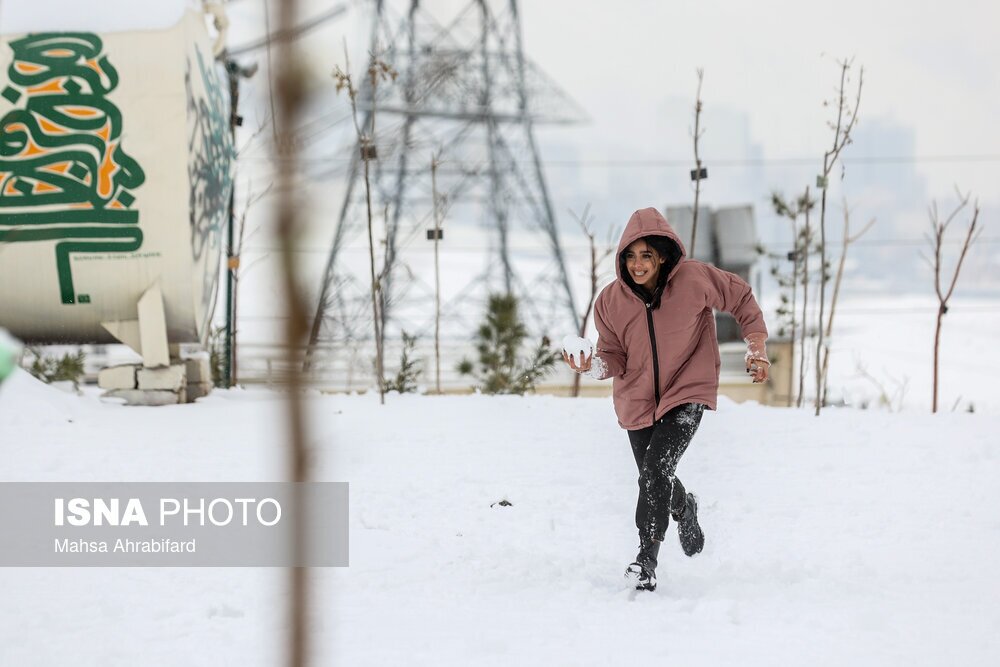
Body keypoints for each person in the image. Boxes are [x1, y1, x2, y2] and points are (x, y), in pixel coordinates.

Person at [562, 207, 769, 592]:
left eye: (646, 255)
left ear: (661, 256)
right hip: (637, 401)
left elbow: (740, 297)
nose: (638, 264)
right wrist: (591, 366)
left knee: (655, 471)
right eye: (630, 255)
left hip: (687, 389)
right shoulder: (610, 302)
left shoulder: (694, 278)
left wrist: (755, 347)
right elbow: (615, 358)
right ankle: (683, 507)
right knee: (654, 476)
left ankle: (646, 559)